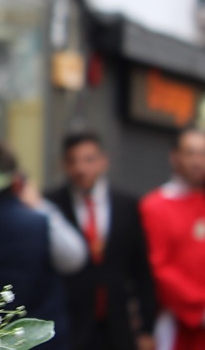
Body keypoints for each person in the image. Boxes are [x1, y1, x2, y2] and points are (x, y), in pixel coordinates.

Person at [0, 143, 86, 350]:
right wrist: (38, 203)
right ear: (17, 181)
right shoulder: (40, 222)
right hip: (39, 342)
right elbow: (75, 259)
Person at [46, 131, 157, 350]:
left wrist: (146, 329)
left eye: (88, 160)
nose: (81, 168)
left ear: (103, 162)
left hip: (118, 324)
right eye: (73, 161)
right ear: (64, 165)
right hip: (70, 323)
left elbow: (141, 270)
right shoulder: (51, 205)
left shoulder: (127, 205)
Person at [140, 129, 205, 350]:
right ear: (174, 157)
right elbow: (159, 267)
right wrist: (198, 305)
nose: (198, 162)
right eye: (191, 153)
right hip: (176, 321)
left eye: (203, 154)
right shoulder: (156, 206)